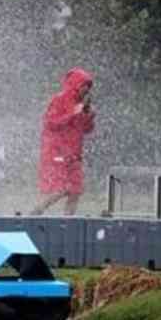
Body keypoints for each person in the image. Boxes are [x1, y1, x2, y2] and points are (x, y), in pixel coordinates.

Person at [30, 67, 96, 215]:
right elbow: (50, 123)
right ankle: (35, 212)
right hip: (57, 152)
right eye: (84, 86)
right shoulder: (60, 99)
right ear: (76, 84)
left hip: (74, 154)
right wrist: (74, 112)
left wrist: (89, 116)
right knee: (61, 189)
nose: (86, 90)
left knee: (75, 191)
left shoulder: (81, 105)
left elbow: (86, 129)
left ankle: (68, 224)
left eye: (88, 87)